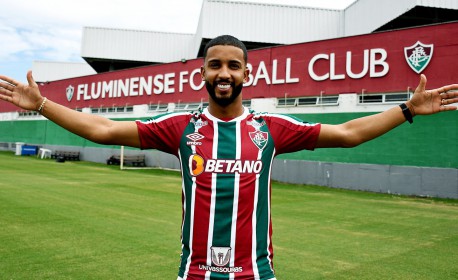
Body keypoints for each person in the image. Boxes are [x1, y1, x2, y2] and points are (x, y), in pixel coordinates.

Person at [0, 35, 457, 280]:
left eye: (232, 65)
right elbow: (100, 128)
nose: (223, 73)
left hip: (257, 273)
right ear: (203, 72)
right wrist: (41, 104)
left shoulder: (269, 129)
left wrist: (406, 109)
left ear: (246, 74)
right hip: (194, 273)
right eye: (215, 65)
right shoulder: (181, 126)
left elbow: (350, 132)